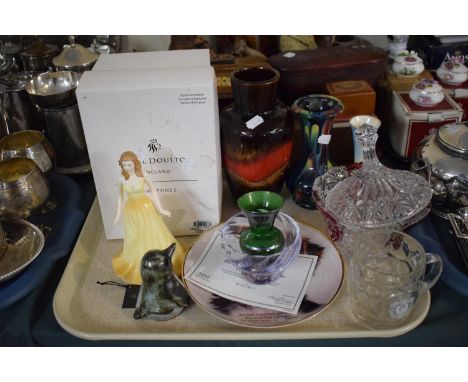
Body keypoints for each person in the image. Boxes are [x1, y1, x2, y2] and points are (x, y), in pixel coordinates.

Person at [113, 151, 185, 284]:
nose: (127, 168)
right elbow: (120, 198)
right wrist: (117, 215)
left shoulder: (143, 176)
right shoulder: (121, 179)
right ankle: (140, 262)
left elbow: (153, 191)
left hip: (146, 207)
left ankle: (160, 260)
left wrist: (161, 209)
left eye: (129, 164)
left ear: (135, 163)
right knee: (135, 236)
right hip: (131, 211)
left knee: (155, 233)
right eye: (124, 165)